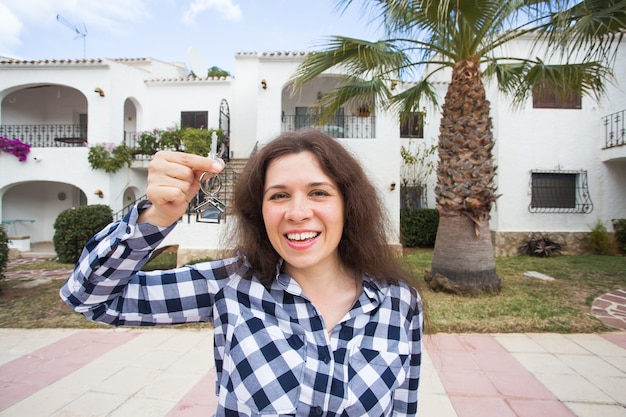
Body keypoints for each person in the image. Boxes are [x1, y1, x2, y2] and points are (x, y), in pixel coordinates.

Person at [60, 129, 423, 416]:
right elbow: (91, 298)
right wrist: (155, 216)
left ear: (349, 205)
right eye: (279, 196)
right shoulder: (230, 285)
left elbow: (404, 407)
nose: (297, 212)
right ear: (259, 211)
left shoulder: (400, 302)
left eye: (318, 193)